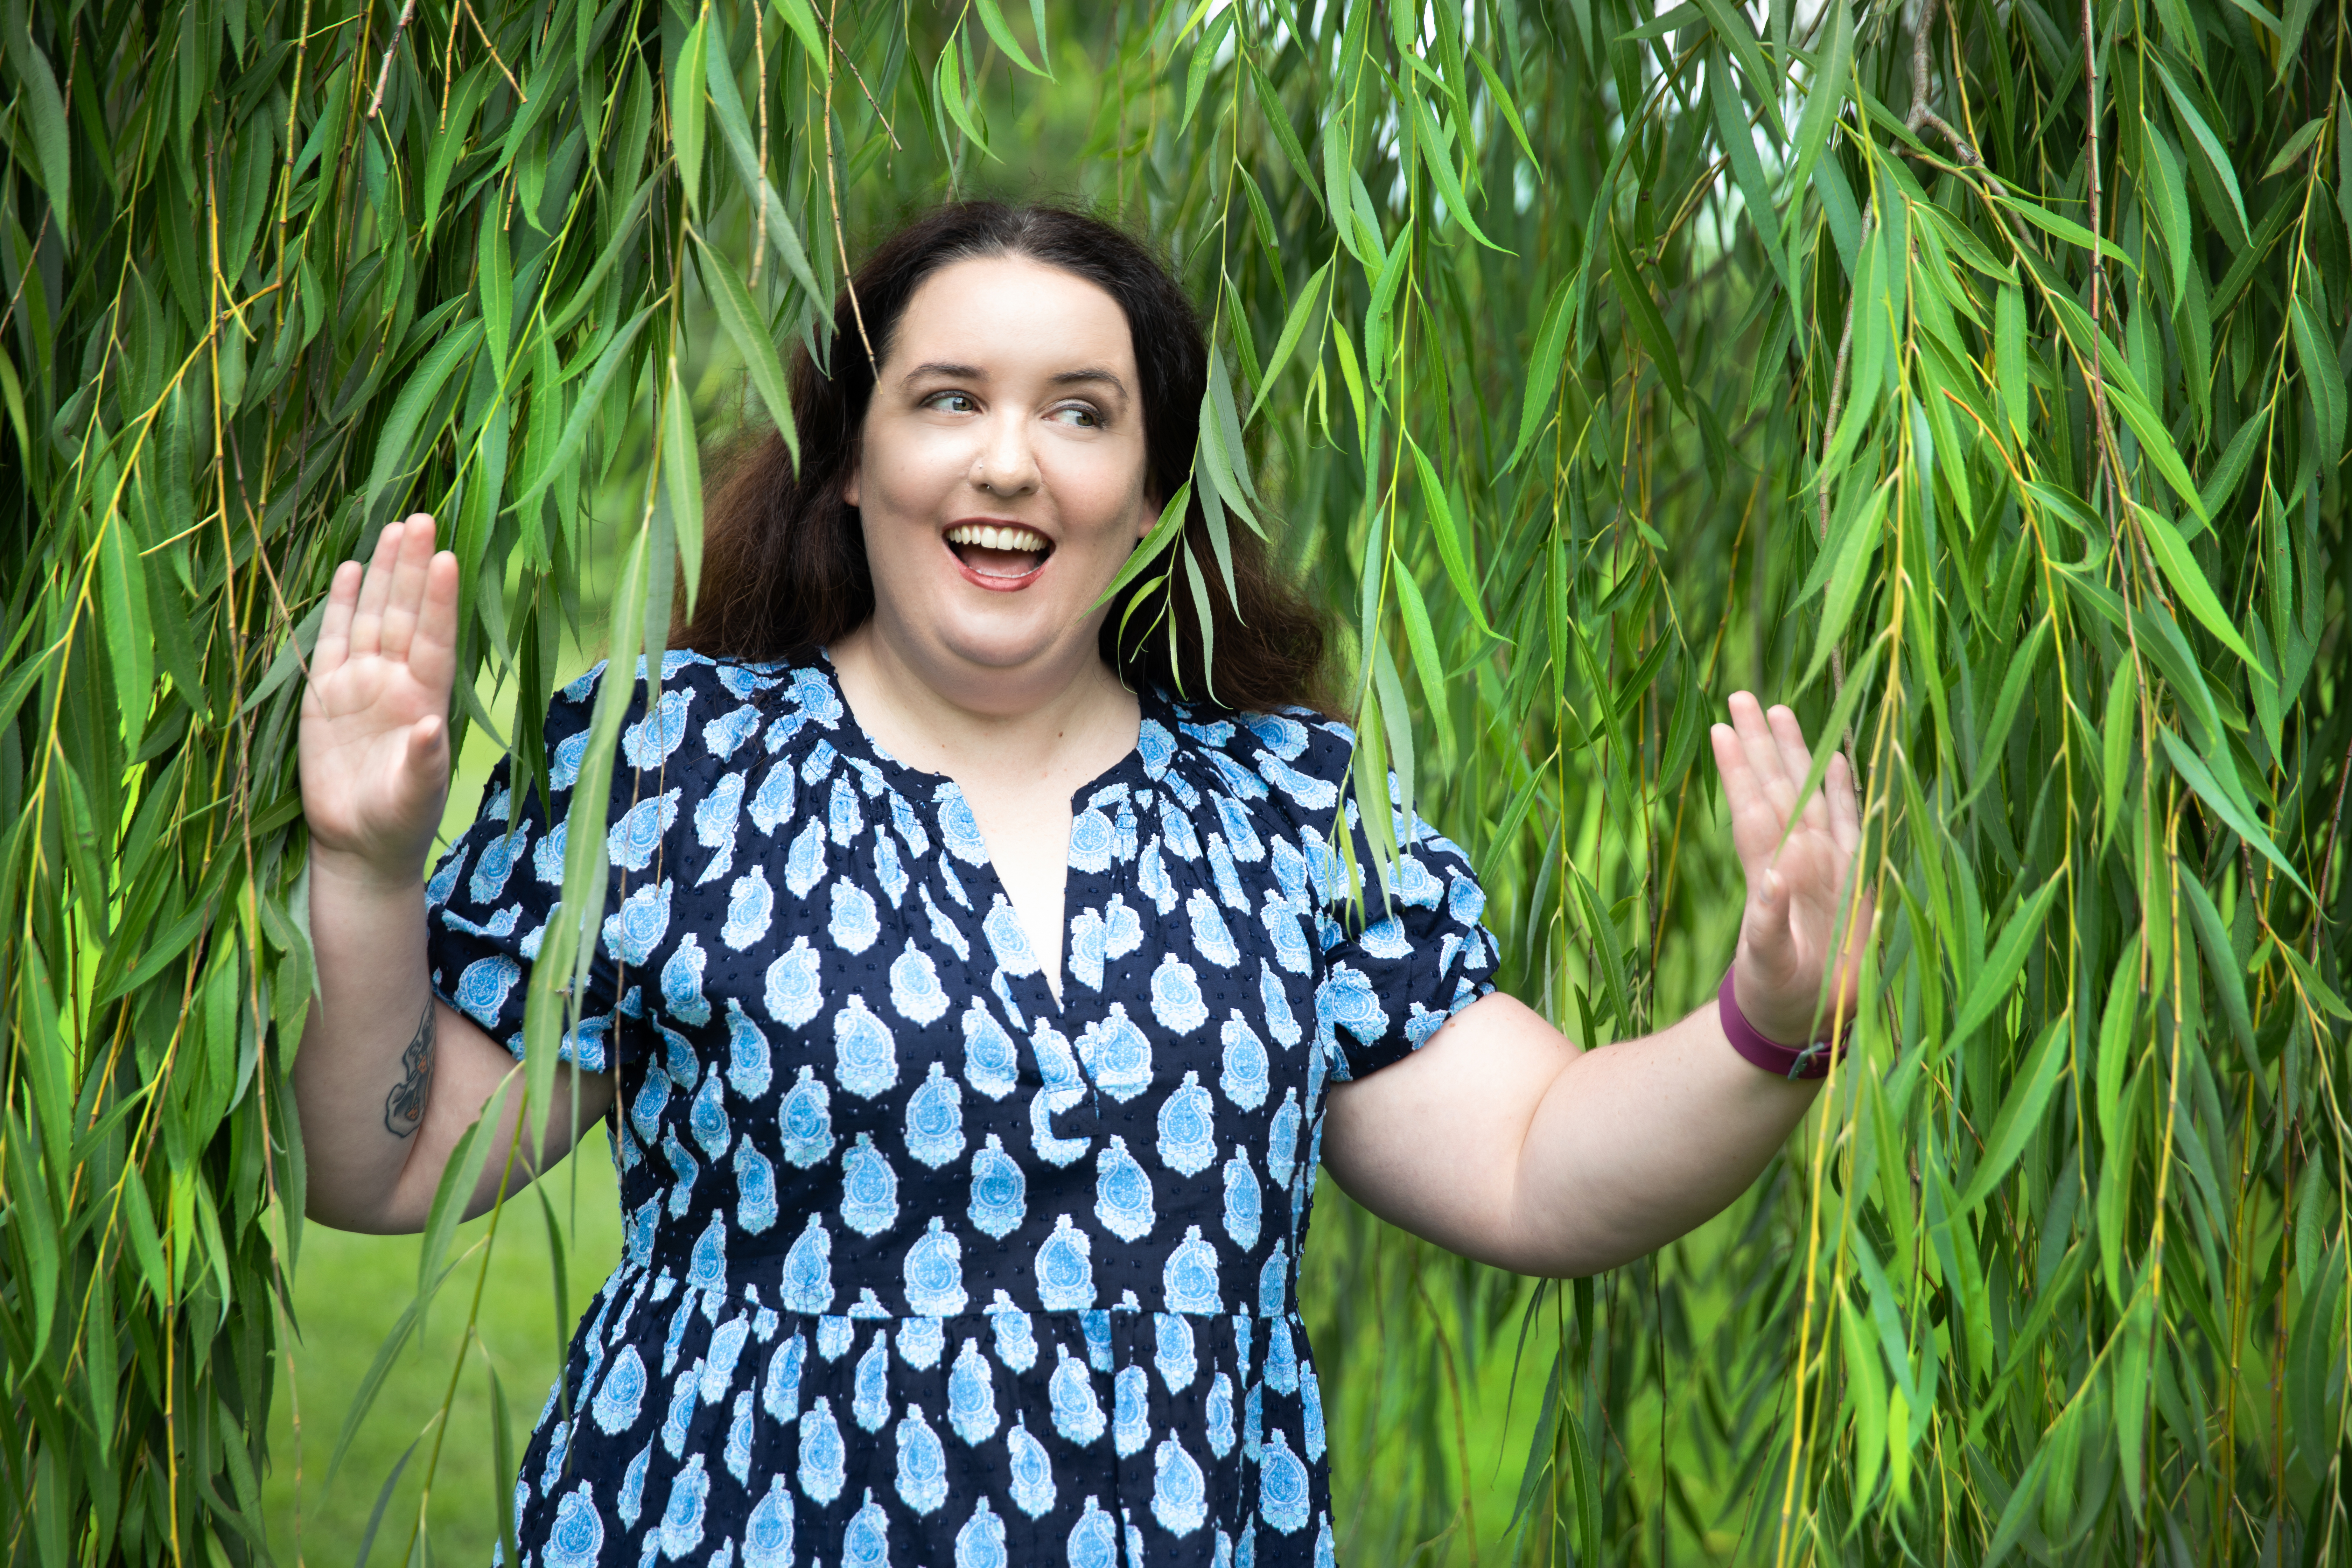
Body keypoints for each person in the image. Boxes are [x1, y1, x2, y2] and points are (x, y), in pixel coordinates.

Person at [294, 202, 1868, 1568]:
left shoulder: (1283, 816)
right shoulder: (675, 773)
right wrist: (369, 872)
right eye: (949, 398)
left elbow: (1537, 1163)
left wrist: (1767, 1020)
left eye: (1080, 412)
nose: (1010, 461)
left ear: (1155, 486)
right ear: (850, 460)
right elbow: (388, 1168)